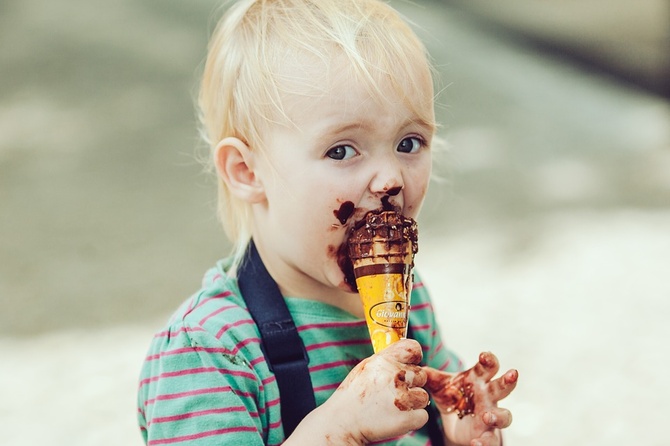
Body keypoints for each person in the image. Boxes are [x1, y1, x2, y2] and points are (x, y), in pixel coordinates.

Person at [137, 0, 518, 445]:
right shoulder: (212, 351)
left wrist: (456, 431)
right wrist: (338, 431)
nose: (391, 179)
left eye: (409, 143)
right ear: (247, 172)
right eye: (341, 150)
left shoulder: (409, 304)